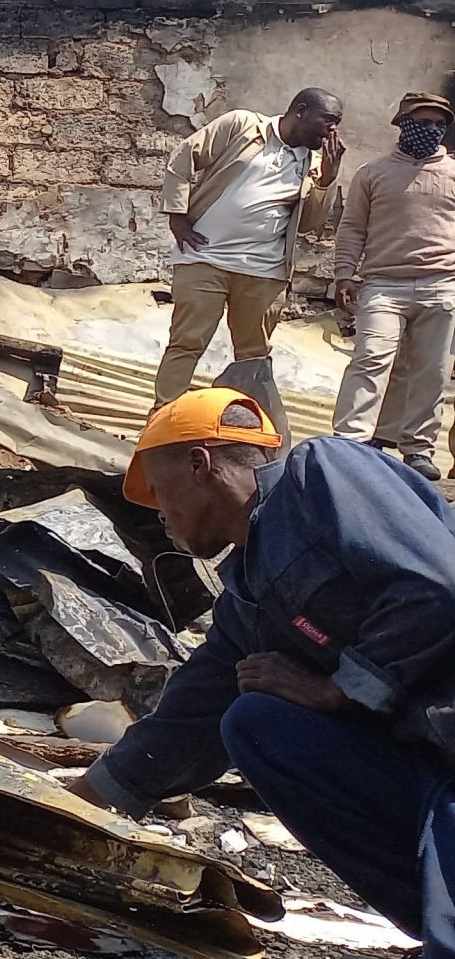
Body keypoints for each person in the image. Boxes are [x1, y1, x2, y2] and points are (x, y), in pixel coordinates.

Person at [67, 389, 455, 956]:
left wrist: (340, 689)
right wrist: (85, 804)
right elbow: (188, 716)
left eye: (159, 489)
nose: (158, 512)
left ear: (201, 465)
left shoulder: (322, 474)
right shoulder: (248, 593)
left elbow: (436, 588)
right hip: (428, 762)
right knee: (256, 723)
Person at [153, 88, 346, 416]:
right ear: (300, 111)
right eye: (327, 120)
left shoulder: (315, 161)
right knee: (186, 342)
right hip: (205, 257)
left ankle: (238, 427)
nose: (333, 131)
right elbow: (184, 158)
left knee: (253, 356)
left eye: (337, 123)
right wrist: (177, 216)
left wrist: (326, 180)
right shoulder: (242, 125)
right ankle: (162, 419)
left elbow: (308, 225)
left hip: (264, 271)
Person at [332, 92, 455, 484]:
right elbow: (352, 227)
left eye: (440, 124)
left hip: (443, 283)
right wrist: (343, 273)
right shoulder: (372, 173)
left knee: (431, 372)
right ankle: (350, 443)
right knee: (371, 358)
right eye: (424, 122)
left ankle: (418, 448)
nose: (432, 130)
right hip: (383, 284)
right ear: (403, 124)